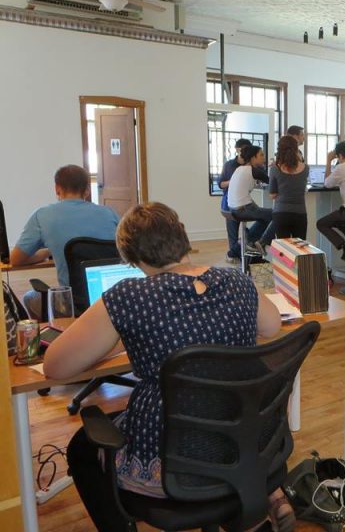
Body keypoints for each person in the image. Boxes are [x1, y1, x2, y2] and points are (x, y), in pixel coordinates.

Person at [44, 202, 285, 532]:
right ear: (183, 236)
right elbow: (272, 328)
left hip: (171, 462)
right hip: (244, 442)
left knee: (83, 447)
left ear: (129, 258)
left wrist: (113, 340)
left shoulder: (130, 297)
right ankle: (245, 510)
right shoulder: (236, 281)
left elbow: (55, 366)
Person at [11, 164, 119, 319]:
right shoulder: (110, 214)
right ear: (87, 190)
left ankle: (55, 337)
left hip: (73, 306)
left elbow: (16, 259)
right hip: (112, 299)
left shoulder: (42, 216)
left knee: (30, 297)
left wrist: (47, 252)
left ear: (57, 189)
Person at [227, 143, 275, 257]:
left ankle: (244, 243)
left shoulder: (240, 169)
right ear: (253, 158)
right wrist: (274, 167)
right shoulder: (253, 170)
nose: (264, 158)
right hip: (242, 209)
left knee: (264, 217)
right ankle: (260, 242)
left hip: (233, 208)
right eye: (261, 155)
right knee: (276, 214)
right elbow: (273, 183)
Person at [269, 135, 309, 239]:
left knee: (284, 250)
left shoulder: (275, 168)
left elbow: (272, 194)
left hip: (280, 213)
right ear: (296, 149)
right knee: (300, 249)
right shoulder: (305, 168)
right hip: (300, 213)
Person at [219, 138, 251, 263]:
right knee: (232, 234)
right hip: (228, 205)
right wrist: (234, 181)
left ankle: (240, 256)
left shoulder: (250, 166)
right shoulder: (229, 165)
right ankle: (233, 257)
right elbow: (221, 184)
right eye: (243, 150)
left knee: (246, 232)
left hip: (243, 205)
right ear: (237, 150)